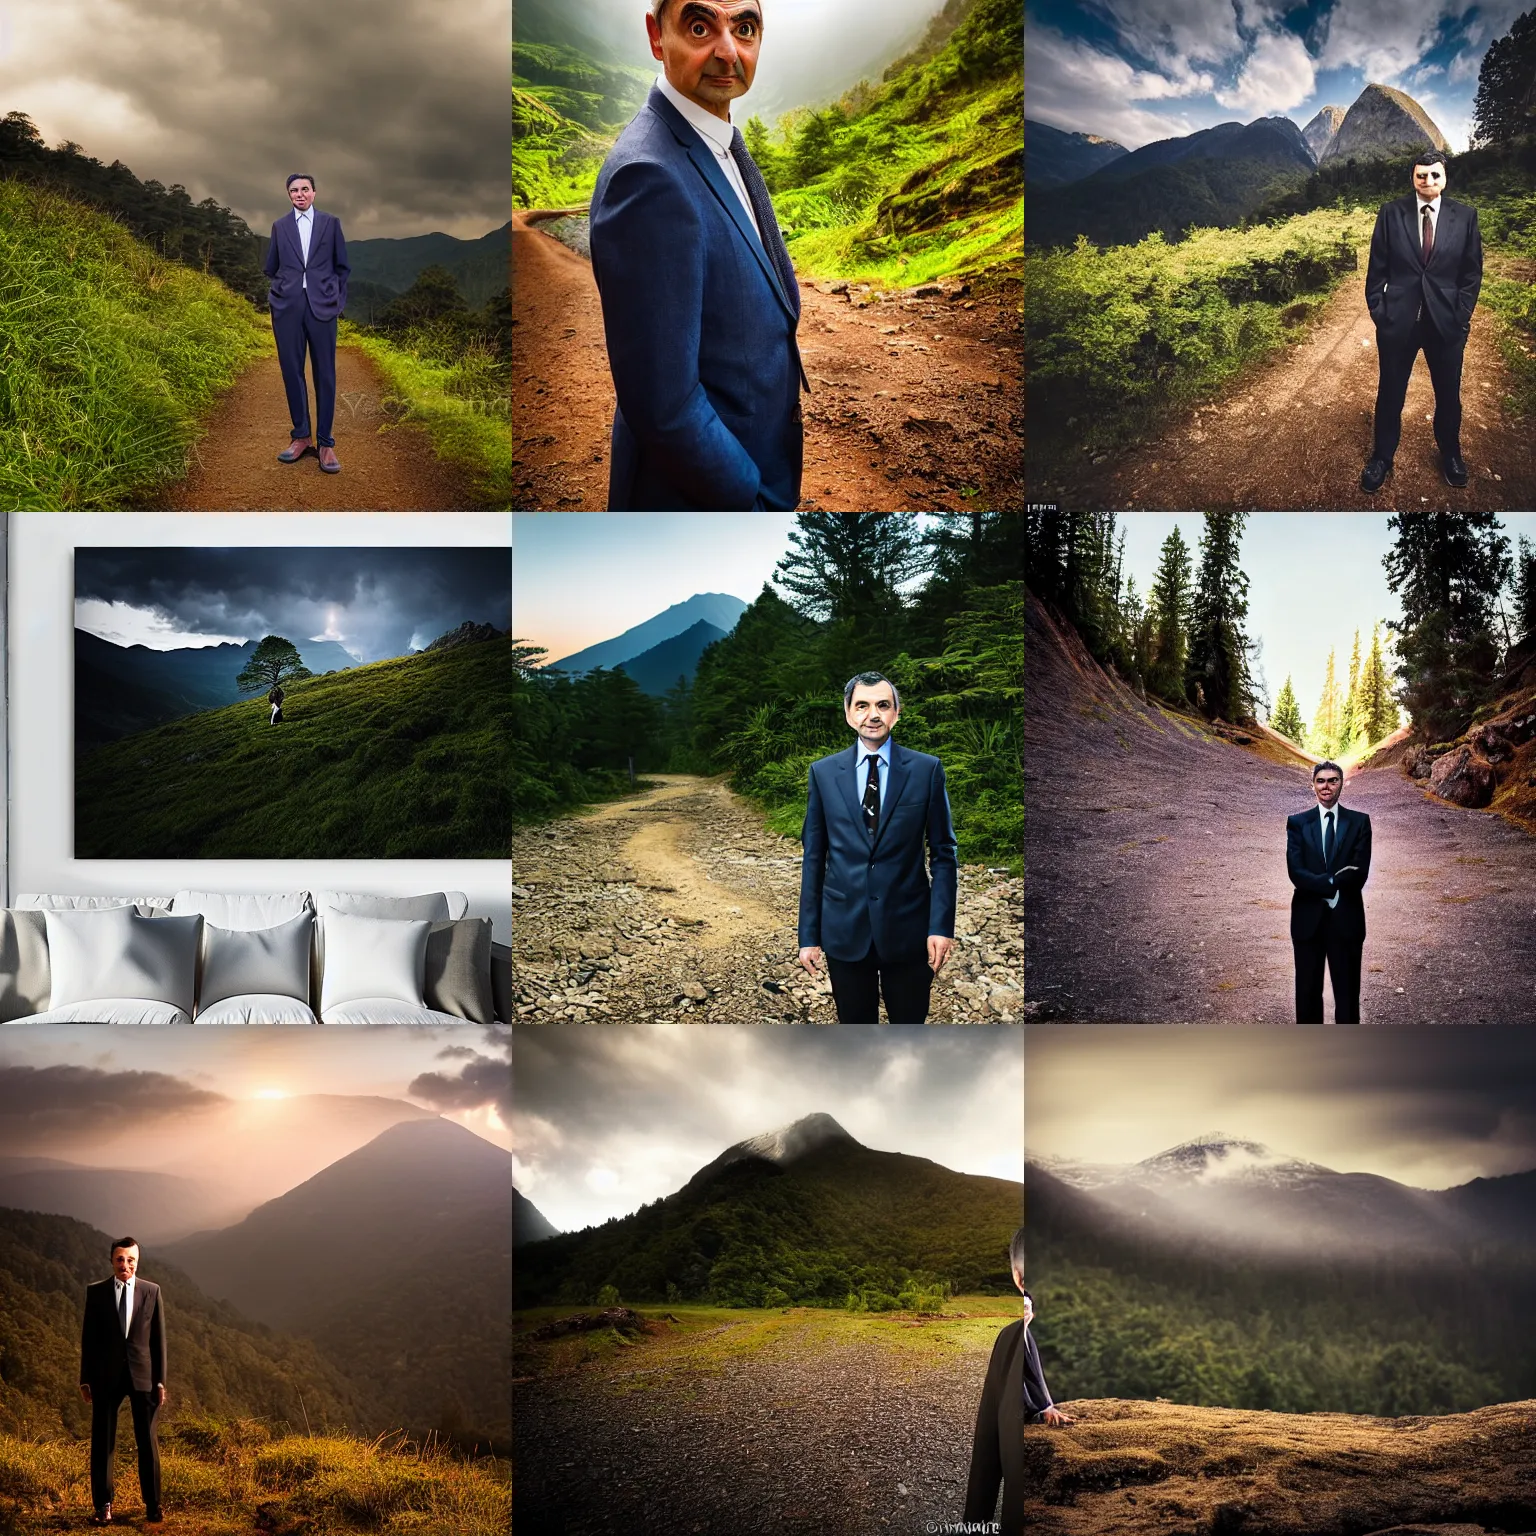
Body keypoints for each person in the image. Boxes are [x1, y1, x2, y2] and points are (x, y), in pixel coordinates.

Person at [589, 0, 808, 511]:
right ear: (656, 36)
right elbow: (664, 407)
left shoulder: (717, 142)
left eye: (745, 28)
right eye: (699, 25)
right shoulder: (648, 177)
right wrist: (748, 499)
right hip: (702, 499)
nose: (728, 51)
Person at [797, 672, 957, 1022]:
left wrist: (941, 927)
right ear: (848, 713)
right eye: (863, 705)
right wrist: (808, 936)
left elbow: (944, 852)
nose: (873, 714)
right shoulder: (823, 773)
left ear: (896, 713)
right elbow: (814, 857)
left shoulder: (926, 770)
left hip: (910, 932)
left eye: (883, 705)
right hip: (844, 931)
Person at [1360, 151, 1483, 493]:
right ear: (1412, 178)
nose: (1428, 181)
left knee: (1448, 394)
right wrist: (1380, 312)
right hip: (1399, 322)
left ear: (1445, 178)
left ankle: (1451, 454)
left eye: (1434, 175)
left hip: (1445, 323)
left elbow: (1471, 273)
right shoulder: (1390, 213)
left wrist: (1461, 314)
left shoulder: (1466, 216)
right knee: (1390, 392)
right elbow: (1377, 269)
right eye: (1421, 176)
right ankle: (1382, 457)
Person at [964, 1229, 1071, 1531]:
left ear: (1016, 1277)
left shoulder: (1015, 1336)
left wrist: (1045, 1407)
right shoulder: (1012, 1336)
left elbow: (986, 1449)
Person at [264, 173, 350, 474]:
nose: (299, 194)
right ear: (289, 195)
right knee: (292, 371)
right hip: (287, 307)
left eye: (304, 189)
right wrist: (280, 293)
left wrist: (336, 301)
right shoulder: (280, 226)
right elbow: (270, 267)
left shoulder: (331, 223)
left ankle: (325, 444)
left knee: (325, 374)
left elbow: (343, 267)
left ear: (314, 192)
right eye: (293, 190)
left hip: (322, 307)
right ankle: (301, 437)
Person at [79, 1237, 167, 1527]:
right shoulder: (96, 1292)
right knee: (103, 1443)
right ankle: (103, 1506)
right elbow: (89, 1339)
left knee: (148, 1443)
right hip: (105, 1377)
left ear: (137, 1261)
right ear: (111, 1261)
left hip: (143, 1377)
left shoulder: (152, 1291)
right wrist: (85, 1379)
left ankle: (153, 1505)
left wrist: (161, 1381)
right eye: (120, 1259)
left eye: (130, 1259)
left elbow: (158, 1340)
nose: (125, 1264)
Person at [1286, 759, 1372, 1023]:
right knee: (1308, 994)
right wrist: (1333, 882)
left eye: (1332, 781)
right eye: (1321, 780)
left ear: (1341, 784)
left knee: (1347, 997)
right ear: (1313, 785)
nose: (1326, 786)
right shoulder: (1298, 823)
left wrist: (1321, 882)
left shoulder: (1359, 822)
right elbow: (1295, 872)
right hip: (1307, 921)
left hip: (1346, 920)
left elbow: (1358, 872)